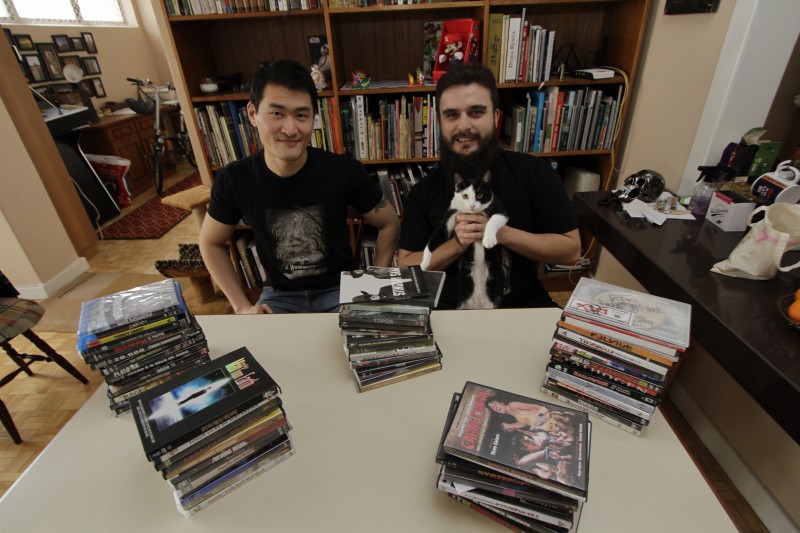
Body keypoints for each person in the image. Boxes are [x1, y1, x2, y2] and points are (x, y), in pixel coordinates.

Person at [200, 60, 400, 314]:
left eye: (301, 115)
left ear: (314, 118)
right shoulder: (234, 179)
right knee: (255, 339)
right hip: (279, 296)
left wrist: (373, 286)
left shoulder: (344, 170)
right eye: (277, 114)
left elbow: (389, 223)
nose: (290, 129)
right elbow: (210, 243)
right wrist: (241, 306)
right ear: (252, 114)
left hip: (340, 290)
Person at [398, 64, 581, 309]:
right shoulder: (423, 191)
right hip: (448, 312)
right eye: (451, 115)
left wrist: (502, 233)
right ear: (440, 122)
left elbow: (571, 251)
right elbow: (406, 267)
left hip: (523, 308)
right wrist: (456, 244)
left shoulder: (535, 172)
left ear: (495, 117)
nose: (464, 125)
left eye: (476, 112)